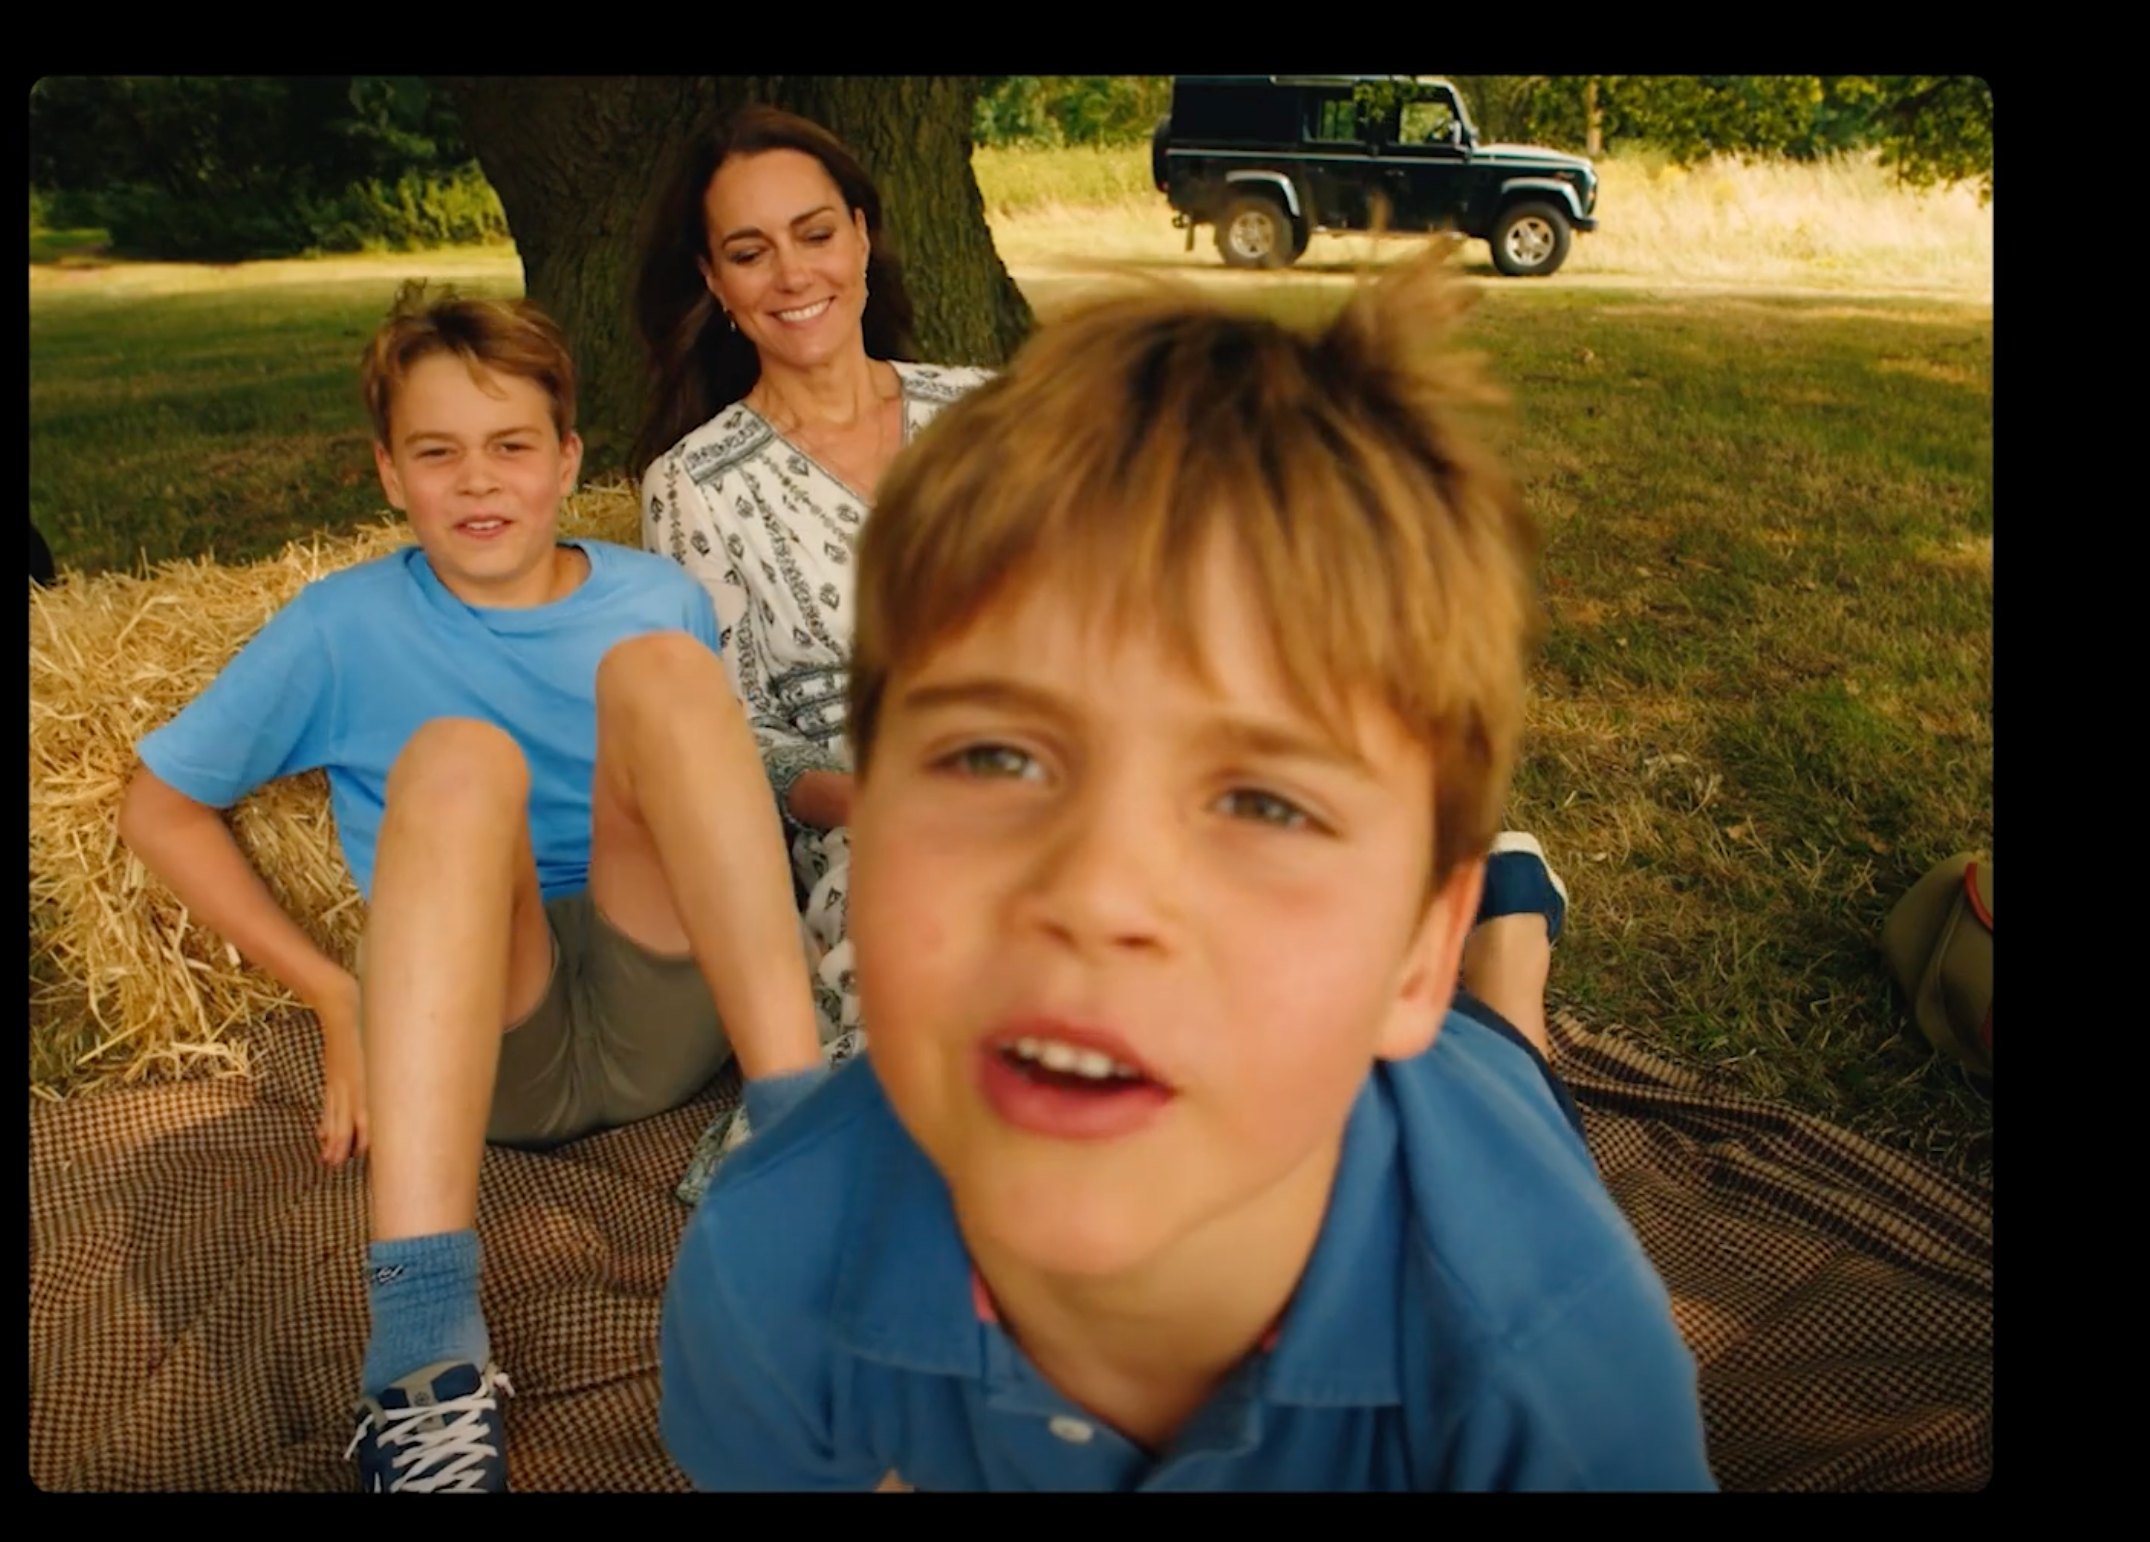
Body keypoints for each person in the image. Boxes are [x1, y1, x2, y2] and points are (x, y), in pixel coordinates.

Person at [654, 246, 1717, 1490]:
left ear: (1408, 956)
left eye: (1263, 800)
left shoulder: (1547, 1364)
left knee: (1514, 1071)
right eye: (996, 759)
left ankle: (1504, 964)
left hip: (1468, 1103)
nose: (1098, 894)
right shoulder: (766, 1271)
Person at [116, 280, 829, 1492]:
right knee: (455, 755)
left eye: (510, 448)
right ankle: (423, 1364)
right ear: (390, 474)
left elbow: (716, 796)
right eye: (438, 453)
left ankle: (806, 1152)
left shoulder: (651, 595)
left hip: (666, 997)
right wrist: (337, 997)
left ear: (567, 461)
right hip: (482, 1033)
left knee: (662, 669)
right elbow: (157, 806)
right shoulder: (340, 628)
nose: (480, 481)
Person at [631, 105, 993, 1201]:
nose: (793, 273)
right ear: (716, 281)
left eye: (814, 232)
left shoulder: (989, 415)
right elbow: (732, 743)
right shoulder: (694, 483)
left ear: (864, 236)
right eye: (750, 251)